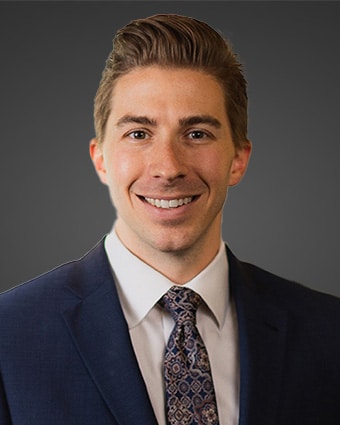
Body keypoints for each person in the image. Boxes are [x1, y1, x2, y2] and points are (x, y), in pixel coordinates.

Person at [0, 13, 339, 425]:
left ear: (238, 159)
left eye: (197, 133)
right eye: (139, 134)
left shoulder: (328, 333)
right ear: (101, 159)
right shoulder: (9, 336)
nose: (168, 167)